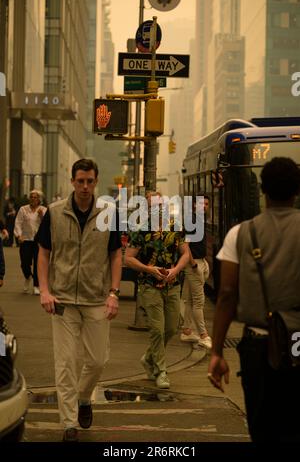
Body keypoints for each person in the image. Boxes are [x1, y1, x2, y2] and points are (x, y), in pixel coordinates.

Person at [208, 157, 300, 442]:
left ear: (262, 191)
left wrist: (217, 352)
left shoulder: (241, 234)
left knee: (264, 428)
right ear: (297, 191)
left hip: (259, 348)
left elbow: (226, 295)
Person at [36, 158, 122, 442]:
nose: (84, 186)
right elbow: (44, 253)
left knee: (98, 361)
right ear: (72, 182)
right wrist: (45, 290)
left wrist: (114, 293)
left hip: (97, 298)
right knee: (65, 362)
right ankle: (69, 423)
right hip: (62, 300)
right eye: (80, 181)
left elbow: (115, 255)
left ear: (96, 181)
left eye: (89, 181)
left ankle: (84, 398)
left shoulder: (109, 213)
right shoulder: (55, 212)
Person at [125, 191, 189, 390]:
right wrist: (149, 269)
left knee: (171, 328)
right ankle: (161, 371)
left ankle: (149, 358)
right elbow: (129, 258)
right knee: (157, 330)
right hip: (149, 285)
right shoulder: (140, 229)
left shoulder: (175, 227)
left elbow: (186, 253)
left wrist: (176, 270)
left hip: (172, 284)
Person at [181, 195, 211, 349]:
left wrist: (204, 262)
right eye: (201, 204)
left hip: (200, 262)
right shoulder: (192, 220)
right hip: (194, 264)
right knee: (199, 301)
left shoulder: (199, 219)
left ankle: (186, 331)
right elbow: (185, 245)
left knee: (191, 300)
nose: (204, 206)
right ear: (194, 205)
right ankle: (203, 335)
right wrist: (193, 264)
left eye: (206, 204)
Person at [14, 190, 46, 295]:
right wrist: (19, 235)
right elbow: (18, 222)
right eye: (31, 197)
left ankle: (36, 285)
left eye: (35, 197)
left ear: (39, 199)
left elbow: (47, 225)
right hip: (26, 239)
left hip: (38, 241)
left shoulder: (43, 210)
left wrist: (42, 216)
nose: (33, 199)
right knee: (24, 263)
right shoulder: (23, 209)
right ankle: (28, 276)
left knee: (38, 263)